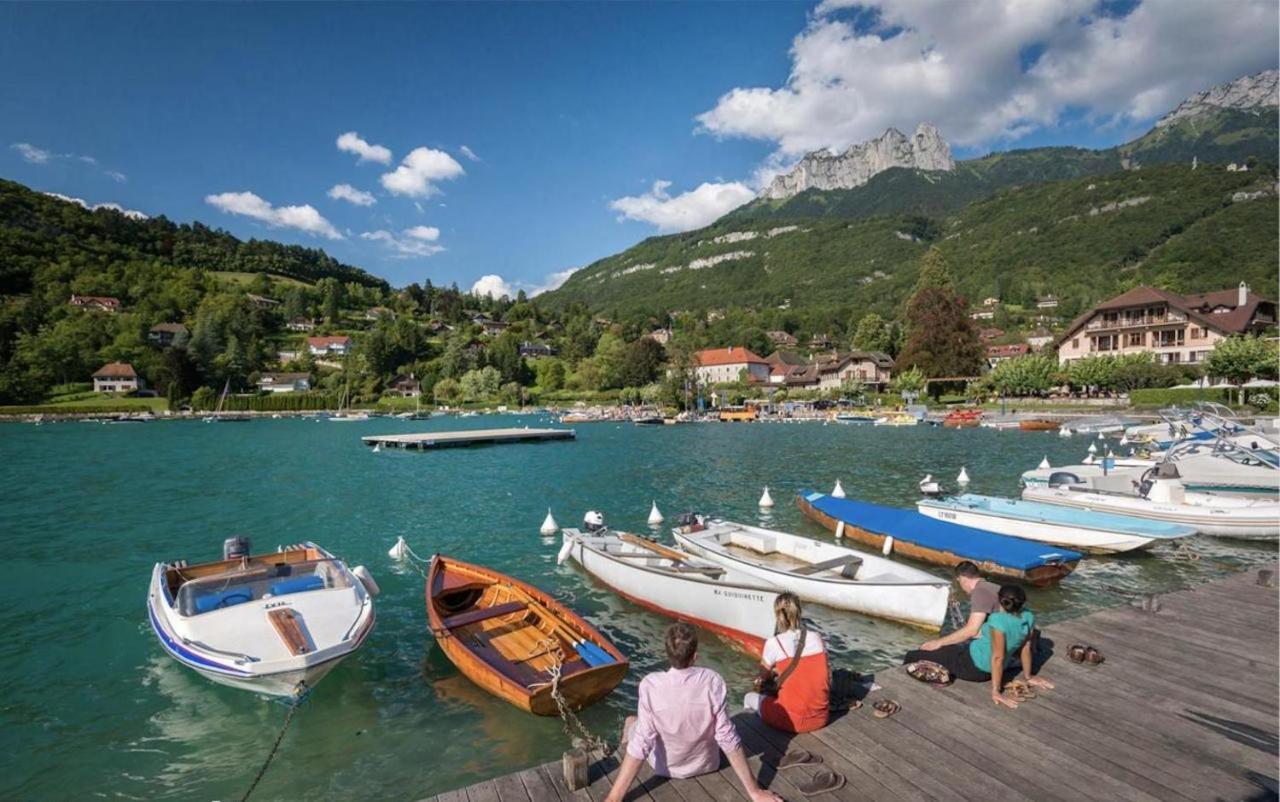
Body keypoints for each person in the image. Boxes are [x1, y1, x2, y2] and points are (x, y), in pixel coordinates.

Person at [605, 622, 781, 802]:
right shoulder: (713, 682)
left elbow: (643, 742)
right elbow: (727, 737)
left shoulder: (650, 685)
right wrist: (755, 792)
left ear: (668, 653)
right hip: (706, 764)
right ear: (695, 656)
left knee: (631, 722)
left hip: (665, 767)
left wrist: (614, 798)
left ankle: (621, 749)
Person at [903, 584, 1053, 708]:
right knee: (949, 649)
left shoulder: (997, 620)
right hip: (979, 657)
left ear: (1000, 600)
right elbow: (1026, 648)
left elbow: (998, 657)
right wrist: (1029, 676)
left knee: (914, 655)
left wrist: (996, 691)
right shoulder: (1028, 616)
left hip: (973, 667)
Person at [743, 592, 830, 733]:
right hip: (821, 718)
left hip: (792, 721)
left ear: (778, 615)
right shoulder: (817, 637)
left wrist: (767, 676)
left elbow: (762, 677)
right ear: (799, 612)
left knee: (749, 698)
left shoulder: (774, 643)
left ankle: (754, 732)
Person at [915, 561, 1000, 653]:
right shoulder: (992, 587)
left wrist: (938, 643)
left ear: (962, 579)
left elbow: (972, 630)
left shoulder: (979, 592)